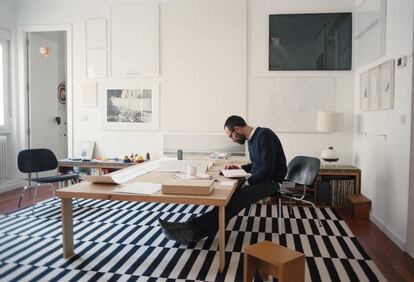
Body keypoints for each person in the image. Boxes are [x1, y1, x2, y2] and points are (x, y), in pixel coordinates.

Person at [158, 115, 287, 244]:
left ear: (237, 129)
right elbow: (257, 165)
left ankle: (191, 232)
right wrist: (239, 167)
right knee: (228, 201)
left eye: (231, 136)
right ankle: (189, 227)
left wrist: (248, 182)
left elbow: (268, 168)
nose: (232, 139)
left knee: (235, 201)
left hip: (272, 182)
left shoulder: (264, 135)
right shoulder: (252, 139)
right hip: (261, 179)